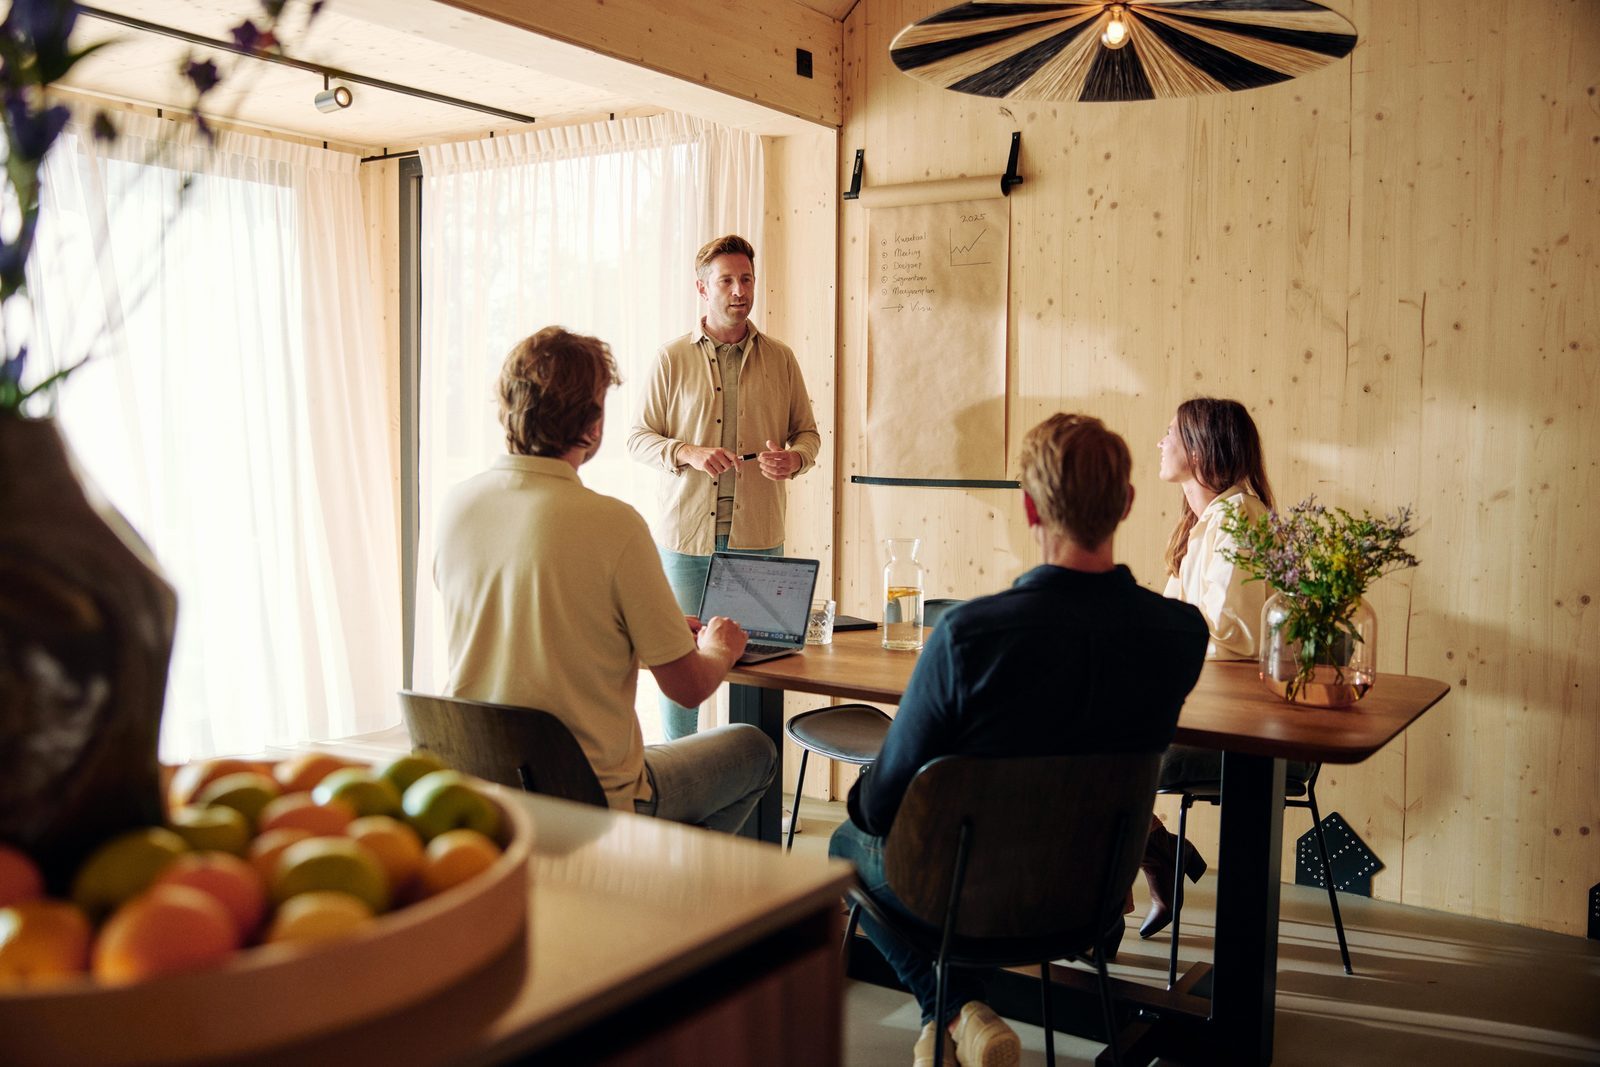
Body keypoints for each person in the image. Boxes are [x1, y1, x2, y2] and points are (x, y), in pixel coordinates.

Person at [830, 414, 1208, 1067]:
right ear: (1127, 503)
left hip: (961, 899)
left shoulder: (969, 636)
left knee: (844, 843)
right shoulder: (1180, 634)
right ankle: (955, 1017)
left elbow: (876, 807)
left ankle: (950, 1010)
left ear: (1030, 507)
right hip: (1090, 895)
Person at [433, 326, 776, 835]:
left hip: (481, 793)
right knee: (753, 748)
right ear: (592, 425)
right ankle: (667, 886)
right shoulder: (613, 524)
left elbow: (529, 631)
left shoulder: (456, 506)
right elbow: (689, 688)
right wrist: (720, 647)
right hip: (590, 797)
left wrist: (637, 629)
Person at [627, 234, 821, 740]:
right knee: (678, 668)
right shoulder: (670, 359)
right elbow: (637, 438)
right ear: (702, 288)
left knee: (762, 670)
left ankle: (752, 793)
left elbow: (809, 434)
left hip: (759, 538)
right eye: (727, 280)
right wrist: (687, 452)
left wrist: (794, 459)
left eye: (747, 279)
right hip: (686, 541)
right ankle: (681, 787)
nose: (740, 290)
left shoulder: (781, 358)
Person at [1139, 396, 1286, 938]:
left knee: (1082, 751)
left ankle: (1133, 877)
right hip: (1196, 709)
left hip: (1235, 727)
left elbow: (1231, 641)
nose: (1160, 442)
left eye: (1170, 433)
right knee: (1072, 744)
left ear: (1201, 448)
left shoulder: (1238, 521)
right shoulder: (1204, 525)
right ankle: (1154, 858)